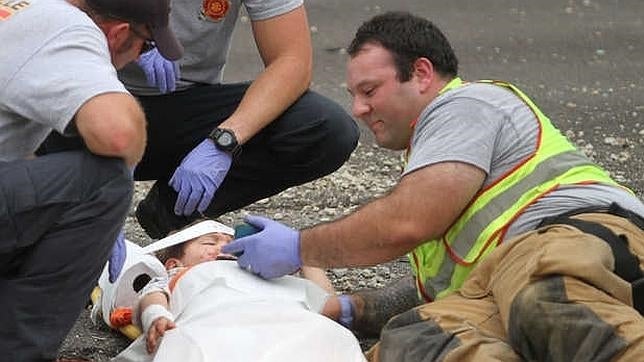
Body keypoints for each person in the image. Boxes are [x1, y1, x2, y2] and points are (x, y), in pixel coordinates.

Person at [221, 11, 644, 361]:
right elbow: (432, 291)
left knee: (546, 297)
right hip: (495, 291)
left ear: (421, 73)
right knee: (415, 345)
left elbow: (407, 221)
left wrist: (298, 247)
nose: (358, 109)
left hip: (582, 237)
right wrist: (355, 309)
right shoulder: (433, 167)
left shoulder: (465, 104)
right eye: (353, 94)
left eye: (369, 90)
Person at [46, 0, 359, 240]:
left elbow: (293, 61)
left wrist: (225, 139)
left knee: (324, 127)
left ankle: (174, 211)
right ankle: (62, 214)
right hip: (86, 96)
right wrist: (129, 42)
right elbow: (41, 21)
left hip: (185, 106)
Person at [0, 0, 182, 360]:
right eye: (144, 46)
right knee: (104, 182)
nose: (136, 61)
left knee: (48, 200)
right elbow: (117, 134)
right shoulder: (71, 29)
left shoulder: (27, 10)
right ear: (118, 34)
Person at [112, 219, 365, 362]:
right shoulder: (179, 274)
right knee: (192, 348)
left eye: (232, 244)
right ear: (173, 264)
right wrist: (156, 315)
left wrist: (302, 253)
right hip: (214, 328)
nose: (223, 247)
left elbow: (325, 302)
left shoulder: (266, 277)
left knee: (332, 336)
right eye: (209, 243)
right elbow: (152, 295)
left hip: (288, 324)